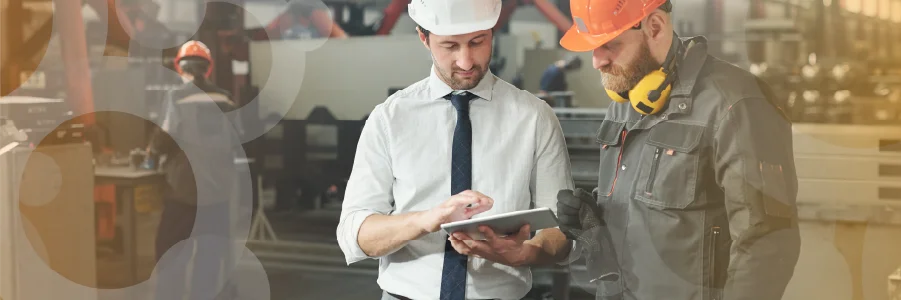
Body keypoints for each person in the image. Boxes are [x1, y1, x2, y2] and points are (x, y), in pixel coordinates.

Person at [553, 1, 801, 300]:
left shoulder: (736, 103)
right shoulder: (623, 107)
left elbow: (766, 244)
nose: (596, 61)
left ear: (654, 26)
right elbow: (642, 218)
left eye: (609, 44)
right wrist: (590, 221)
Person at [335, 0, 574, 299]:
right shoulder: (390, 118)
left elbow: (561, 232)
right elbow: (357, 235)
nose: (466, 61)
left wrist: (521, 254)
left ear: (492, 32)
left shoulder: (535, 117)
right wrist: (427, 219)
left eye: (478, 42)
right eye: (450, 46)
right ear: (424, 38)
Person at [147, 40, 240, 300]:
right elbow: (237, 140)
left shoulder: (176, 97)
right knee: (210, 257)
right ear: (208, 69)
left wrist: (150, 155)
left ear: (179, 67)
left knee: (171, 252)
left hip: (184, 191)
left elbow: (163, 139)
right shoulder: (226, 98)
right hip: (219, 194)